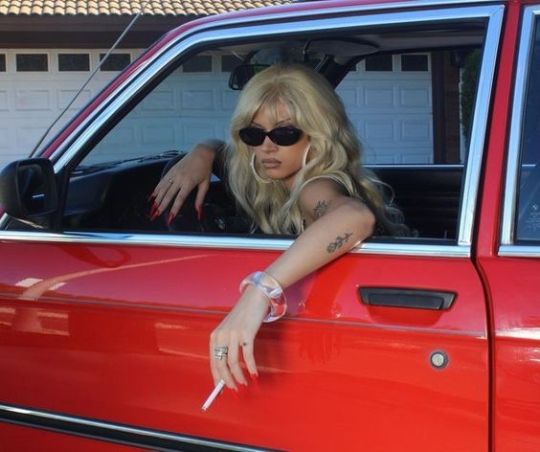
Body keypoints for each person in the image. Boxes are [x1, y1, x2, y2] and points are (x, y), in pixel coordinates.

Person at [150, 64, 405, 391]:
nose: (266, 147)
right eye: (253, 134)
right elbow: (227, 156)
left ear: (318, 132)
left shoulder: (316, 186)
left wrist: (259, 291)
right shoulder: (271, 174)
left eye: (285, 134)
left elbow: (355, 216)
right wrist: (204, 151)